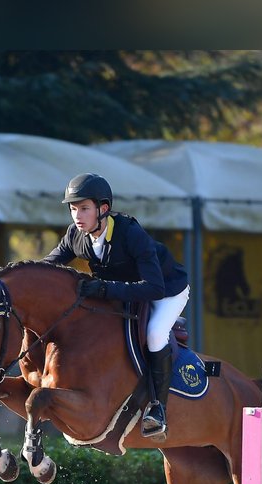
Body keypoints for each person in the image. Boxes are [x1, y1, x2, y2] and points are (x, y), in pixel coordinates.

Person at [40, 173, 189, 441]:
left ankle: (157, 409)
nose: (77, 216)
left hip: (167, 290)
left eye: (84, 208)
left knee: (155, 333)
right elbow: (46, 268)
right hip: (126, 290)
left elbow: (153, 288)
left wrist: (105, 288)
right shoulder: (76, 235)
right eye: (73, 209)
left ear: (103, 209)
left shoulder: (130, 234)